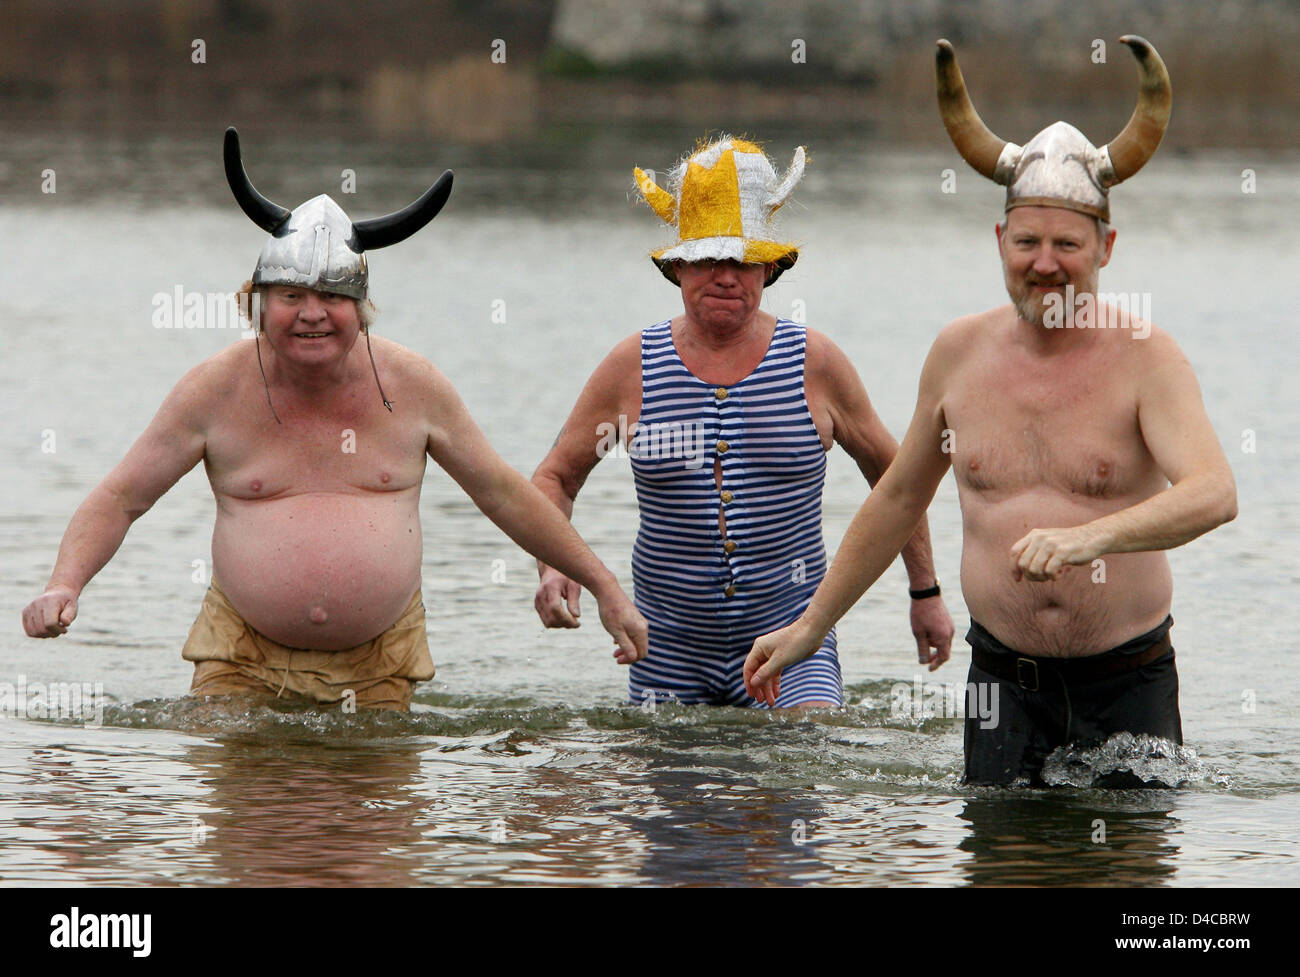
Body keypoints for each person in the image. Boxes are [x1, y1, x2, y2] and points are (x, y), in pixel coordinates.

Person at [745, 38, 1237, 784]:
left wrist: (1089, 538)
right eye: (1028, 241)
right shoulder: (957, 354)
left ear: (1106, 246)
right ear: (999, 240)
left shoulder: (1148, 356)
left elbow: (1214, 494)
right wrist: (811, 625)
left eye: (1068, 243)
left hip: (1128, 683)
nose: (1046, 262)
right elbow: (900, 496)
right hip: (999, 684)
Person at [21, 127, 647, 712]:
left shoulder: (413, 386)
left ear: (362, 308)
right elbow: (121, 496)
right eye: (291, 296)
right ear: (258, 305)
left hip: (383, 662)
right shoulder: (214, 389)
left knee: (373, 828)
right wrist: (64, 584)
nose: (311, 314)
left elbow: (504, 494)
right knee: (244, 829)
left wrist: (602, 585)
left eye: (332, 298)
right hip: (239, 656)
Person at [532, 136, 954, 709]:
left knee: (806, 757)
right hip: (668, 650)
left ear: (769, 268)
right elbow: (554, 479)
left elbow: (897, 478)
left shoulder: (817, 363)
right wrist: (555, 566)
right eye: (708, 259)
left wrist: (924, 592)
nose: (725, 276)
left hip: (791, 640)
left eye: (742, 260)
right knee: (671, 789)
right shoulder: (631, 366)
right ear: (677, 266)